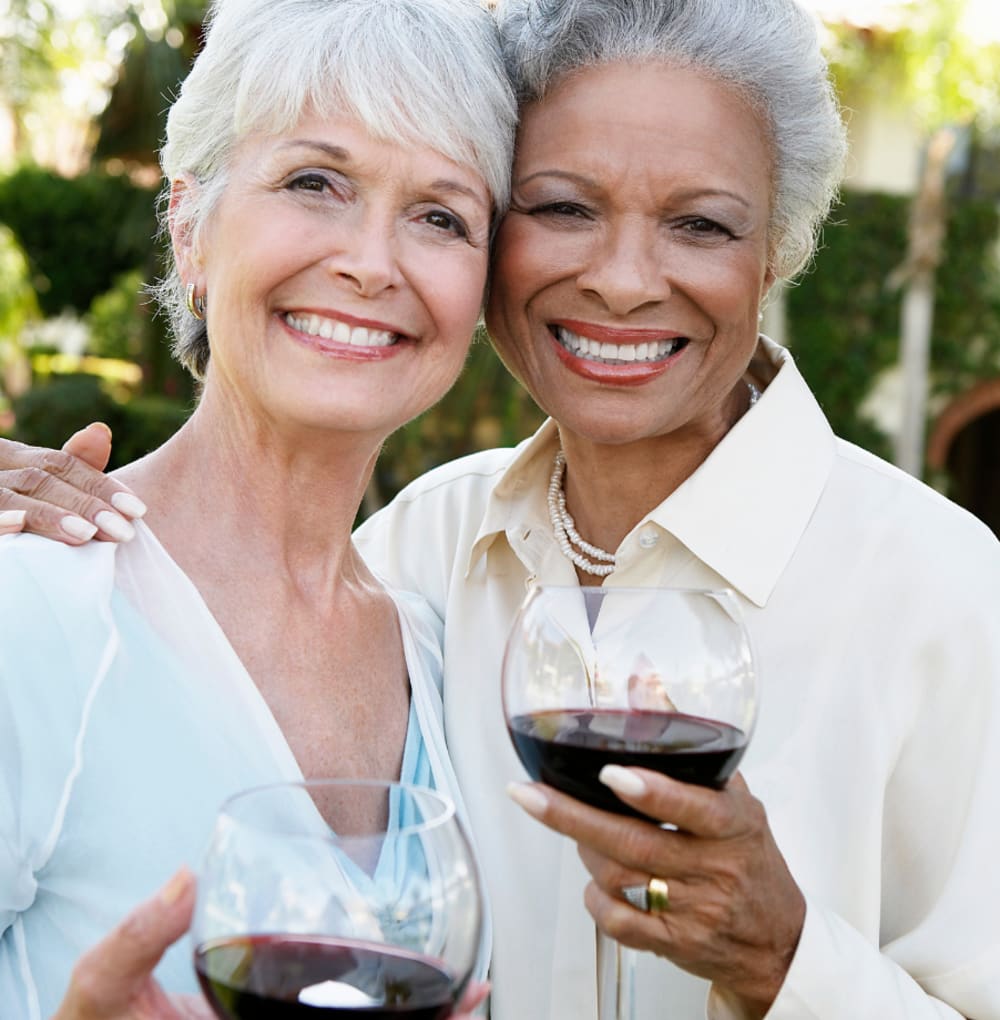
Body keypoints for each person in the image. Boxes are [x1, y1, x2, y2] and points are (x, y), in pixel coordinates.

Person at [5, 0, 1000, 1017]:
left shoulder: (951, 601)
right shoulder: (429, 554)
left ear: (777, 253)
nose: (617, 281)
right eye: (564, 207)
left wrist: (786, 962)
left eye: (700, 223)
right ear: (188, 221)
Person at [0, 0, 516, 1016]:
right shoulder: (36, 602)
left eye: (440, 215)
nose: (374, 261)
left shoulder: (445, 649)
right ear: (190, 229)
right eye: (314, 182)